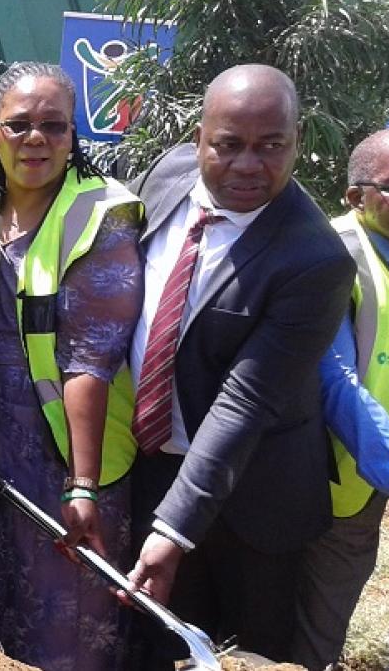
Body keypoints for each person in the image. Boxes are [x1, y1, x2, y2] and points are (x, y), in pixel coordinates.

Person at [124, 64, 355, 667]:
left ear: (296, 140)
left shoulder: (315, 259)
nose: (249, 166)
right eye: (228, 145)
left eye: (271, 146)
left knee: (252, 655)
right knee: (161, 643)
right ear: (199, 137)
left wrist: (173, 528)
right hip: (153, 467)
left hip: (258, 502)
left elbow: (246, 400)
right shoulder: (166, 177)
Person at [0, 62, 143, 671]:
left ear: (74, 138)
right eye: (19, 125)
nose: (36, 139)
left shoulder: (102, 216)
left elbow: (90, 358)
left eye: (54, 126)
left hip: (63, 451)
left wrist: (83, 484)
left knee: (64, 620)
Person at [290, 126, 389, 670]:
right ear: (356, 196)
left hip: (386, 478)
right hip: (329, 489)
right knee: (309, 635)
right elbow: (337, 386)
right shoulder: (332, 257)